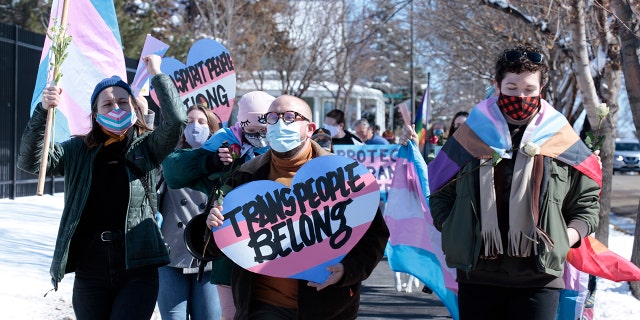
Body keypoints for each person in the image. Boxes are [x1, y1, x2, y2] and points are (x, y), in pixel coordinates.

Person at [427, 45, 602, 320]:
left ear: (541, 88)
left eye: (529, 90)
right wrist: (453, 228)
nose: (521, 97)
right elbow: (438, 190)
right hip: (478, 276)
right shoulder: (470, 135)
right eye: (512, 87)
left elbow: (587, 204)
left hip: (540, 279)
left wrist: (565, 238)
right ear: (497, 86)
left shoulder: (561, 139)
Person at [17, 54, 186, 320]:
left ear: (133, 107)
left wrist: (158, 74)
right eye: (107, 104)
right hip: (90, 267)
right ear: (95, 114)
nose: (116, 108)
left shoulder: (148, 147)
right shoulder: (77, 150)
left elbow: (176, 121)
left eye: (122, 102)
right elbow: (30, 162)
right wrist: (42, 111)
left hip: (138, 266)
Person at [206, 95, 390, 319]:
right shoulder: (245, 176)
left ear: (309, 128)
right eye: (272, 117)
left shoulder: (343, 176)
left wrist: (348, 271)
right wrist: (213, 225)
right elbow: (218, 244)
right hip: (263, 306)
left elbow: (375, 237)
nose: (280, 123)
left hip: (328, 307)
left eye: (290, 117)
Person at [161, 90, 276, 320]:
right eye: (251, 130)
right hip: (227, 260)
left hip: (273, 258)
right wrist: (210, 160)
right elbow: (173, 173)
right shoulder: (227, 150)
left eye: (263, 130)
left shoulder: (284, 155)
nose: (258, 136)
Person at [157, 104, 222, 320]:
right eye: (190, 122)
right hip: (171, 253)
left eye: (202, 122)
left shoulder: (224, 163)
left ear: (212, 128)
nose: (195, 127)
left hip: (209, 254)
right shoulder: (170, 159)